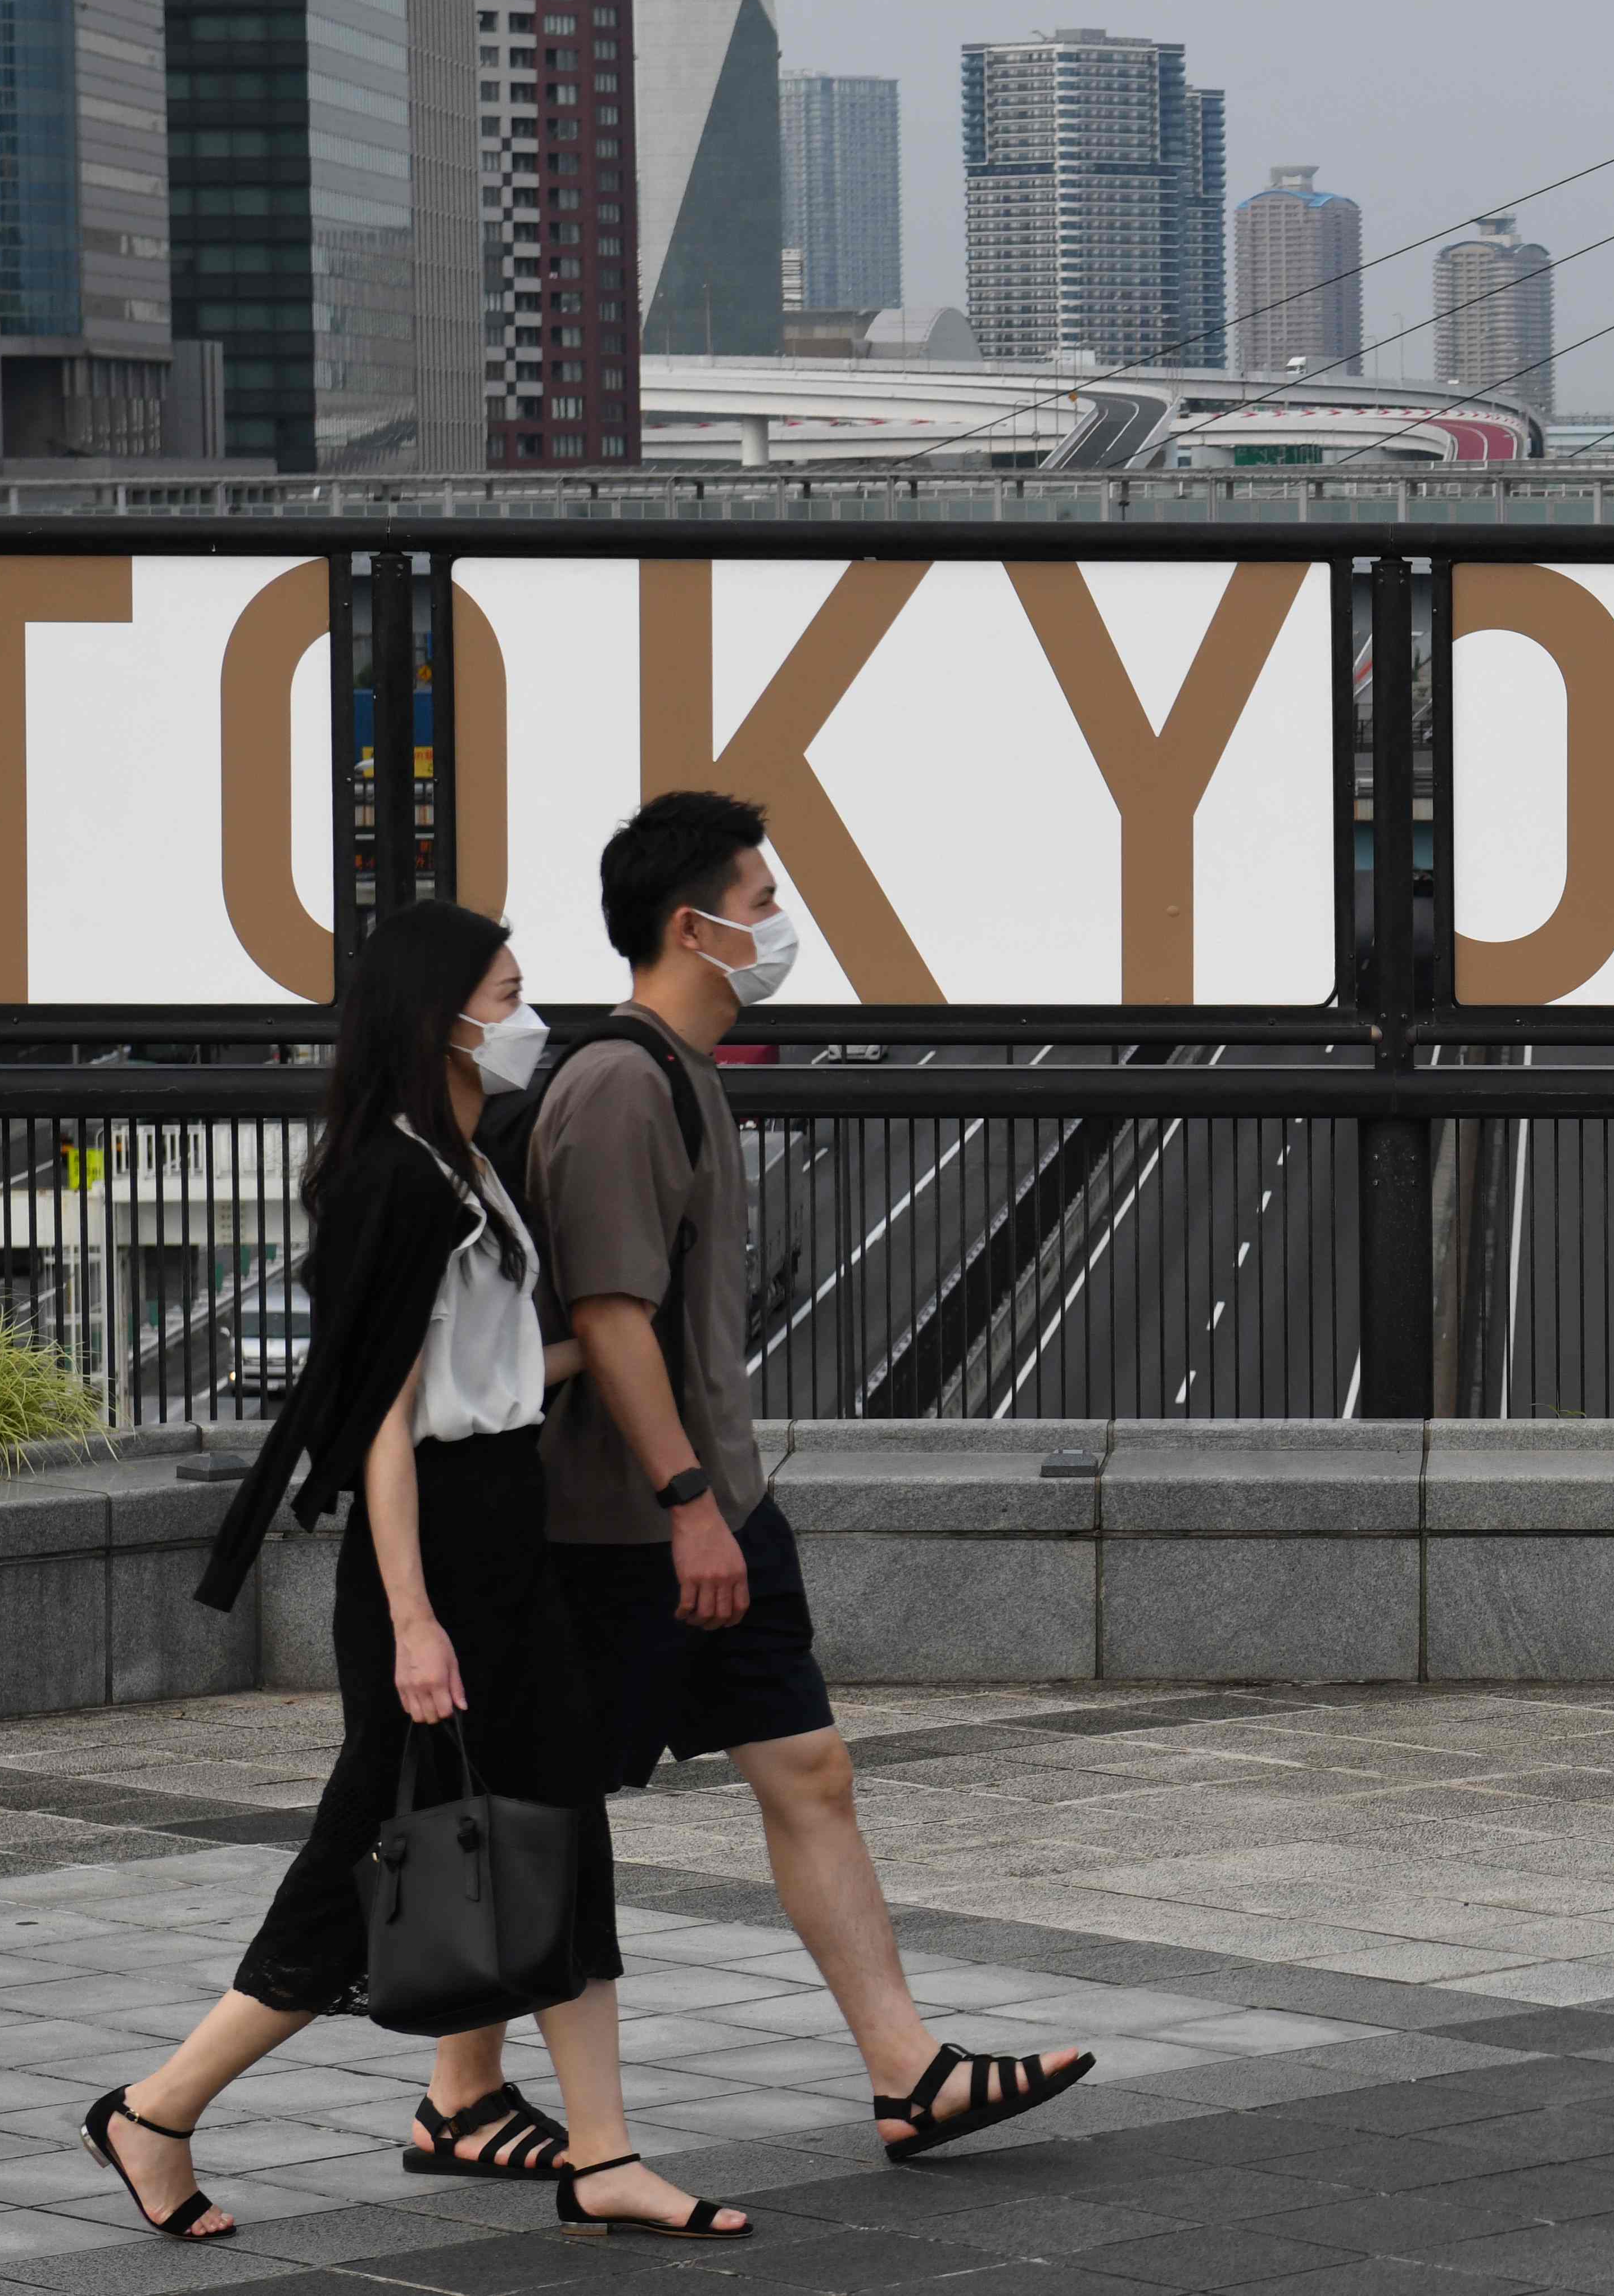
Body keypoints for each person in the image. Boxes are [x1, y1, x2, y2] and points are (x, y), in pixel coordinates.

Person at [414, 791, 1092, 2168]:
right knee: (533, 1806)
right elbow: (609, 1317)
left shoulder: (679, 1071)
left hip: (714, 1499)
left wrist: (717, 1501)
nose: (779, 925)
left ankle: (907, 2072)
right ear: (692, 926)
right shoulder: (621, 1085)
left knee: (807, 1770)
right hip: (626, 1523)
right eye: (763, 902)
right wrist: (687, 1508)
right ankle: (455, 2088)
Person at [104, 901, 749, 2245]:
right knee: (367, 1859)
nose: (530, 1021)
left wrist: (617, 1349)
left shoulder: (460, 1164)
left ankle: (605, 2155)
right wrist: (412, 1622)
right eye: (507, 995)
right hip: (439, 1556)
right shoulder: (391, 1179)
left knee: (559, 1832)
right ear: (438, 1017)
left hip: (504, 1534)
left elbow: (487, 1377)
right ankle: (157, 2109)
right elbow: (386, 1429)